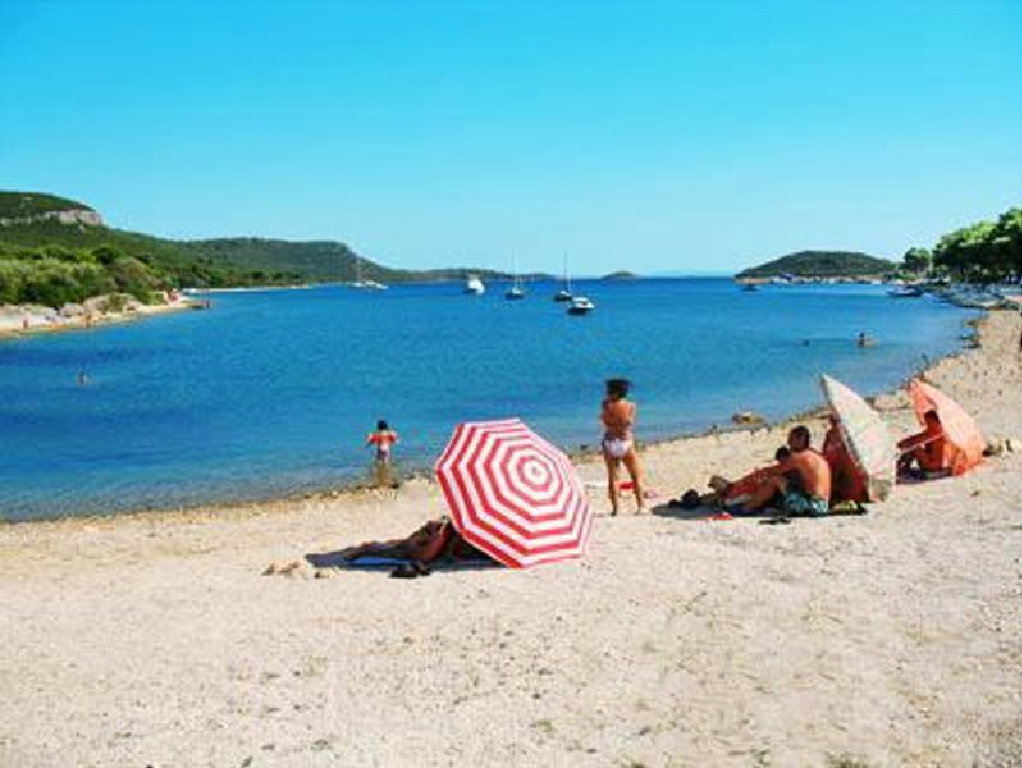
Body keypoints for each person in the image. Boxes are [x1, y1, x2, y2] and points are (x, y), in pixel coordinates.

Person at [745, 425, 831, 516]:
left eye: (790, 439)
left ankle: (747, 507)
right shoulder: (815, 455)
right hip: (823, 505)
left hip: (813, 506)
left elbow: (777, 471)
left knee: (775, 480)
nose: (788, 443)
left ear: (799, 440)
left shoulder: (798, 457)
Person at [600, 378, 645, 516]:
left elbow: (604, 420)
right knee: (635, 475)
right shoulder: (631, 406)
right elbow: (629, 422)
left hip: (610, 441)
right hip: (625, 441)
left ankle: (615, 509)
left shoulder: (606, 405)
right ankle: (641, 506)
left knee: (613, 477)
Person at [822, 415, 867, 503]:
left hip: (844, 458)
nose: (834, 423)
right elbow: (826, 446)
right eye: (833, 421)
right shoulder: (830, 433)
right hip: (835, 458)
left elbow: (851, 446)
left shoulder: (845, 432)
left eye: (836, 421)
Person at [897, 409, 950, 477]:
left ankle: (902, 468)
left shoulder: (937, 432)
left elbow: (919, 439)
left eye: (929, 422)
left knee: (914, 448)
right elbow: (918, 437)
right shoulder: (932, 431)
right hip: (928, 461)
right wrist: (905, 441)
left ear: (936, 422)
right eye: (927, 422)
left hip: (933, 465)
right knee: (912, 447)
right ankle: (902, 467)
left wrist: (906, 443)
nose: (928, 425)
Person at [365, 420, 399, 487]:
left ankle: (381, 478)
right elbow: (395, 439)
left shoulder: (378, 434)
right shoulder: (388, 433)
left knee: (379, 463)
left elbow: (372, 439)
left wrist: (368, 444)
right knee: (386, 462)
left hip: (380, 449)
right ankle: (387, 477)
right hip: (386, 449)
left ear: (379, 427)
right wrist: (395, 439)